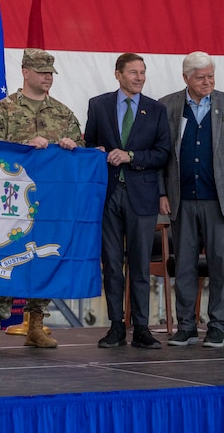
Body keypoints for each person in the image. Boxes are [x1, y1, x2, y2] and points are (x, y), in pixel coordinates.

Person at [0, 48, 84, 350]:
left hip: (48, 200)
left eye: (50, 72)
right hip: (10, 201)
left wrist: (71, 145)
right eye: (41, 71)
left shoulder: (63, 113)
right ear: (26, 72)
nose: (47, 77)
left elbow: (82, 149)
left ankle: (36, 323)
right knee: (2, 258)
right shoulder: (4, 110)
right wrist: (23, 145)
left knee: (42, 257)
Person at [158, 51, 224, 348]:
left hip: (220, 200)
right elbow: (164, 156)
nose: (207, 82)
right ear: (185, 78)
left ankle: (217, 326)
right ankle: (186, 326)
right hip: (182, 200)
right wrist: (162, 193)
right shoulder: (168, 106)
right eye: (200, 77)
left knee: (221, 266)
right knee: (185, 266)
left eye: (211, 76)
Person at [85, 53, 170, 350]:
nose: (139, 77)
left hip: (142, 196)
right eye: (133, 72)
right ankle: (116, 326)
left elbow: (163, 153)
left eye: (142, 72)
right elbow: (89, 146)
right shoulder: (98, 105)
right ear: (118, 74)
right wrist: (96, 150)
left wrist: (131, 156)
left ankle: (143, 328)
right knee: (111, 264)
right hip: (108, 194)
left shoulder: (156, 110)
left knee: (139, 265)